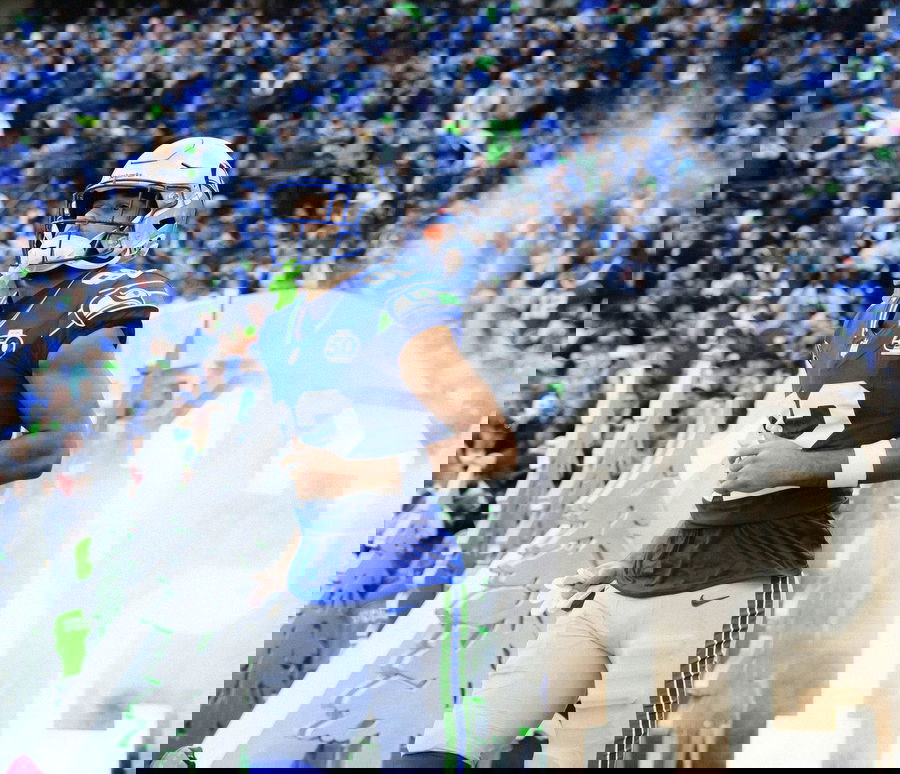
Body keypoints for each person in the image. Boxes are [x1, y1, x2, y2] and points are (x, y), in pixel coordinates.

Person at [395, 292, 900, 769]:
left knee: (567, 755)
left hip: (728, 589)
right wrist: (639, 556)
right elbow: (741, 479)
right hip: (644, 579)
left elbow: (802, 468)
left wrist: (816, 467)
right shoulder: (875, 327)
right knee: (441, 747)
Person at [151, 167, 519, 768]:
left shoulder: (396, 314)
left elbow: (494, 446)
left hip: (411, 593)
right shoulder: (286, 331)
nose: (303, 235)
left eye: (318, 215)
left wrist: (359, 478)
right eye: (291, 222)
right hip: (323, 597)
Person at [0, 137, 232, 486]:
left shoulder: (83, 319)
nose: (90, 216)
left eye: (120, 207)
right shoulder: (26, 286)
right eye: (98, 204)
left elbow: (49, 445)